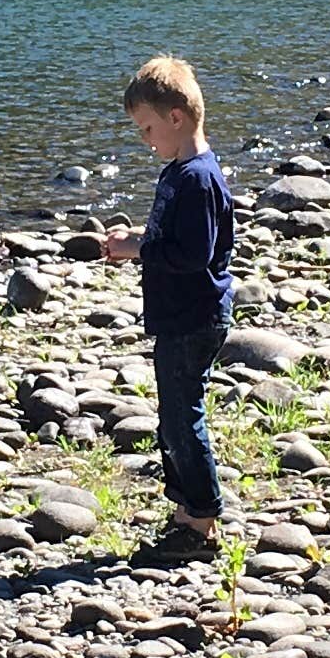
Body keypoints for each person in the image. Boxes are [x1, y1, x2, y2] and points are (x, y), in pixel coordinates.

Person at [101, 55, 235, 562]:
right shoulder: (180, 171)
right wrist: (137, 239)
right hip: (179, 316)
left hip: (194, 317)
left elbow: (193, 254)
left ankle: (200, 520)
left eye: (148, 128)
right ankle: (186, 511)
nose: (145, 139)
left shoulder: (198, 179)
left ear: (176, 118)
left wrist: (140, 249)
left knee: (184, 418)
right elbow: (173, 239)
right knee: (172, 417)